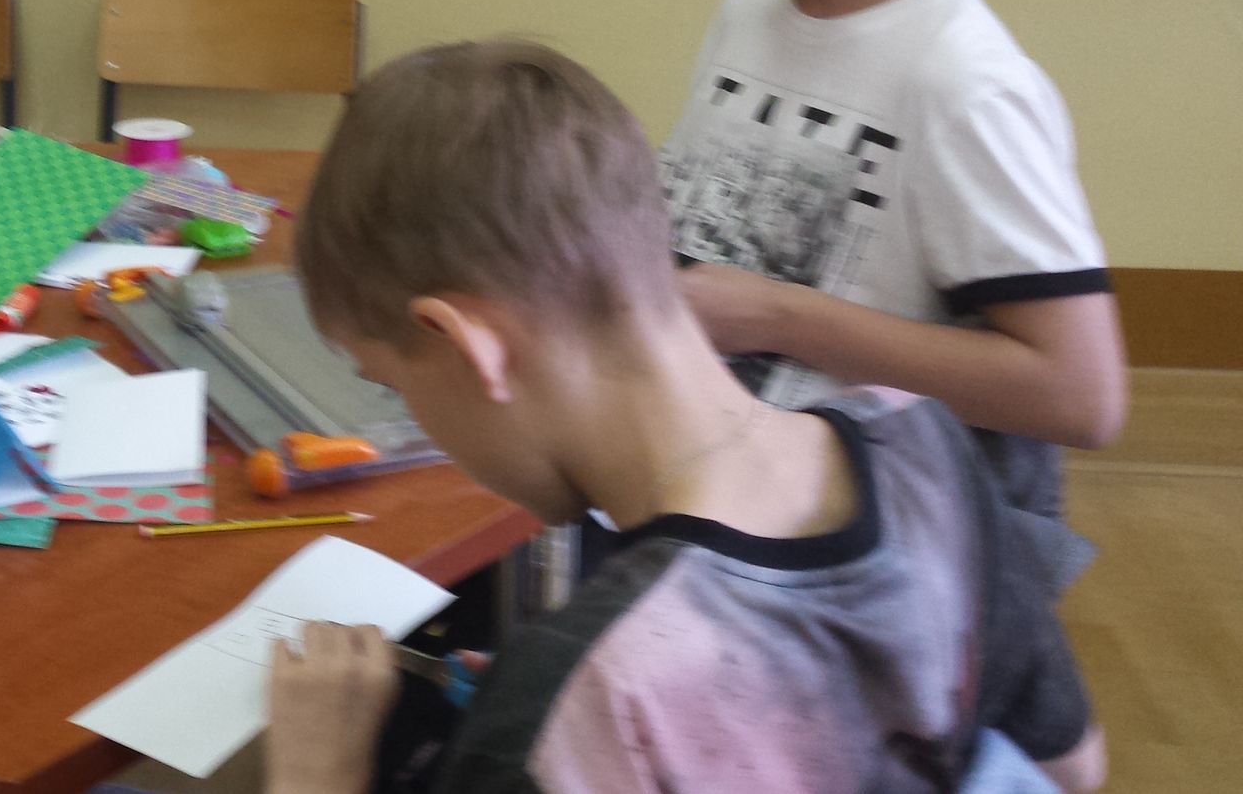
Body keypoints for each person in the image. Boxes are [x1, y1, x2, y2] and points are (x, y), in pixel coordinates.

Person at [268, 40, 1105, 793]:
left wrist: (319, 769)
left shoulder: (571, 704)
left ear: (464, 344)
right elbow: (1070, 765)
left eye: (393, 384)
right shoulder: (926, 443)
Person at [653, 0, 1123, 525]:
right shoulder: (745, 18)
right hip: (708, 471)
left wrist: (778, 317)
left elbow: (1081, 396)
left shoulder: (965, 84)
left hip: (856, 542)